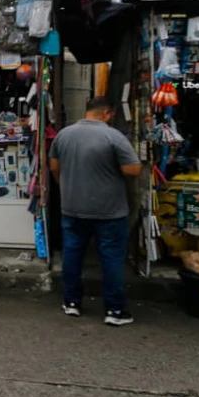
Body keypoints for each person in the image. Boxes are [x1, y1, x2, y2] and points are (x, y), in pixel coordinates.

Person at [48, 96, 143, 325]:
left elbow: (54, 166)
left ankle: (71, 302)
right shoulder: (113, 136)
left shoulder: (64, 134)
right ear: (108, 113)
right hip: (108, 210)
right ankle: (115, 310)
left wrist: (66, 186)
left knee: (72, 255)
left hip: (72, 207)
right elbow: (133, 169)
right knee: (111, 258)